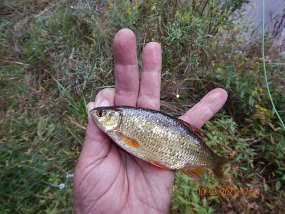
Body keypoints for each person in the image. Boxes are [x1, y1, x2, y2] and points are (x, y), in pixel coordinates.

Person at [73, 28, 228, 214]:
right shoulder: (117, 130)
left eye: (101, 115)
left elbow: (133, 143)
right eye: (100, 114)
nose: (96, 116)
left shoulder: (120, 129)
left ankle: (216, 162)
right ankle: (215, 162)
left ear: (115, 118)